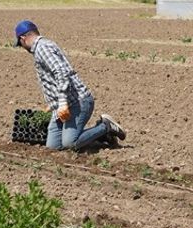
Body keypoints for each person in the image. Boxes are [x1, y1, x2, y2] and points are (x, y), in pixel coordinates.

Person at [15, 19, 126, 151]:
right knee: (53, 147)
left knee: (70, 143)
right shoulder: (44, 46)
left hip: (78, 102)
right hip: (64, 105)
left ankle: (105, 126)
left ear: (23, 38)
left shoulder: (42, 48)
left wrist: (62, 103)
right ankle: (102, 136)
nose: (22, 47)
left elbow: (61, 72)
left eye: (20, 44)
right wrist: (53, 105)